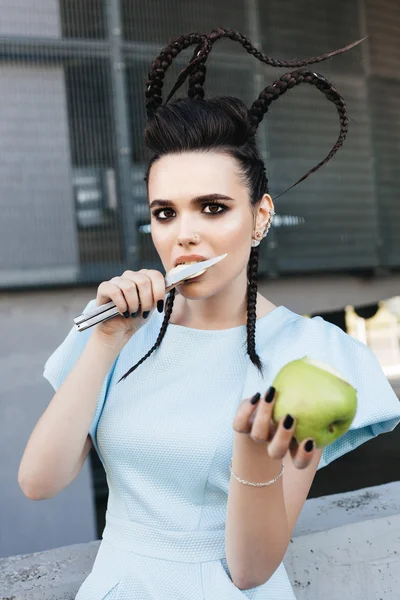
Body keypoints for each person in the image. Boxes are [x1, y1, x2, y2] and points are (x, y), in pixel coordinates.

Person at [20, 28, 400, 600]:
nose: (185, 235)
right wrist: (105, 344)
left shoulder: (312, 355)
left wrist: (252, 449)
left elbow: (251, 569)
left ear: (259, 217)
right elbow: (39, 483)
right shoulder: (115, 329)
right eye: (165, 214)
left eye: (213, 208)